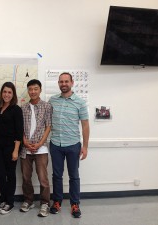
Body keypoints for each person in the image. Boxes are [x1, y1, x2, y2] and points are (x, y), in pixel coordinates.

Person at [48, 72, 90, 218]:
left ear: (72, 83)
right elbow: (47, 122)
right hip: (55, 145)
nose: (63, 84)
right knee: (57, 175)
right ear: (58, 83)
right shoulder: (52, 100)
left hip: (73, 145)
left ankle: (75, 204)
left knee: (74, 176)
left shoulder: (80, 102)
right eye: (61, 82)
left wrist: (85, 147)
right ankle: (57, 201)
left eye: (66, 81)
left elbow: (85, 126)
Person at [19, 79, 52, 217]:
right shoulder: (23, 108)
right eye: (30, 89)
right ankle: (29, 200)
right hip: (25, 148)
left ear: (40, 90)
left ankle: (45, 203)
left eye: (35, 89)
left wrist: (40, 143)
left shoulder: (47, 106)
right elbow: (20, 128)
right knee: (26, 177)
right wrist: (25, 141)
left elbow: (48, 126)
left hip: (41, 149)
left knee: (42, 177)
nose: (33, 91)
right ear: (28, 91)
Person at [0, 82, 23, 215]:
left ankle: (10, 202)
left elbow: (19, 132)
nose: (6, 94)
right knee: (0, 175)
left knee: (10, 175)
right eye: (5, 91)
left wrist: (16, 150)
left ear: (13, 94)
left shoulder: (16, 109)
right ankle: (3, 200)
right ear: (1, 93)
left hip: (11, 147)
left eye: (9, 92)